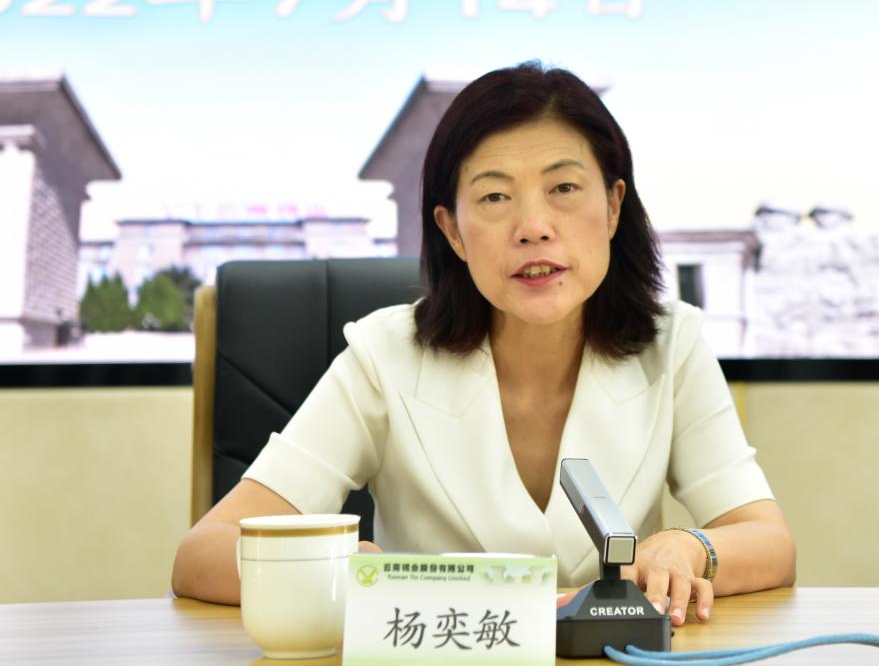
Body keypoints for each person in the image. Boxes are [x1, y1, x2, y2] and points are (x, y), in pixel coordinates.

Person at [172, 62, 796, 625]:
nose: (533, 228)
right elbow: (202, 555)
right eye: (495, 197)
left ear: (613, 207)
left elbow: (769, 542)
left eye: (564, 188)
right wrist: (336, 572)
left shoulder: (671, 344)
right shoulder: (384, 355)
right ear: (453, 231)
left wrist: (692, 547)